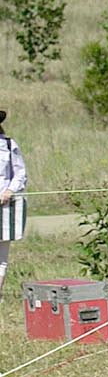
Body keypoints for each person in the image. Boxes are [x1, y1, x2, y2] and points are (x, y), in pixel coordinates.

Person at [0, 110, 27, 300]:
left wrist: (9, 191)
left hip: (4, 206)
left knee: (1, 255)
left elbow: (20, 173)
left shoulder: (9, 145)